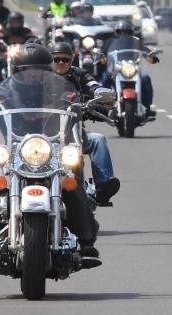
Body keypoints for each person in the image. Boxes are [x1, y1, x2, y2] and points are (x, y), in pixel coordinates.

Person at [0, 42, 100, 267]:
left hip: (53, 148)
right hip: (17, 150)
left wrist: (88, 107)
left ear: (46, 70)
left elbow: (77, 104)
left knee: (71, 181)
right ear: (17, 71)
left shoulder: (60, 89)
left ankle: (86, 242)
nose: (33, 75)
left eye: (38, 70)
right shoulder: (6, 91)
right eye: (27, 70)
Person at [49, 41, 121, 206]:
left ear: (71, 60)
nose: (61, 63)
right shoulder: (40, 77)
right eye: (56, 59)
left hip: (73, 135)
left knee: (97, 139)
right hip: (42, 137)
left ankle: (103, 187)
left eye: (65, 60)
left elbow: (93, 85)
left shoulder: (78, 75)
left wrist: (99, 93)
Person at [101, 20, 158, 117]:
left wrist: (151, 57)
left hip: (132, 69)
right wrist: (101, 57)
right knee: (106, 77)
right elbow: (102, 53)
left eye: (126, 32)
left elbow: (147, 53)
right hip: (117, 70)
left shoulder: (136, 42)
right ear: (117, 33)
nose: (123, 34)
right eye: (120, 32)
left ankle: (147, 107)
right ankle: (104, 106)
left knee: (146, 79)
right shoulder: (111, 42)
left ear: (131, 32)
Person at [0, 12, 36, 86]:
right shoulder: (5, 31)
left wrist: (33, 41)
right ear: (9, 23)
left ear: (21, 22)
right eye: (13, 23)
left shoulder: (26, 31)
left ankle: (32, 83)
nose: (16, 25)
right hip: (7, 55)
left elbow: (34, 38)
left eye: (17, 23)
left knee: (34, 65)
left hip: (23, 57)